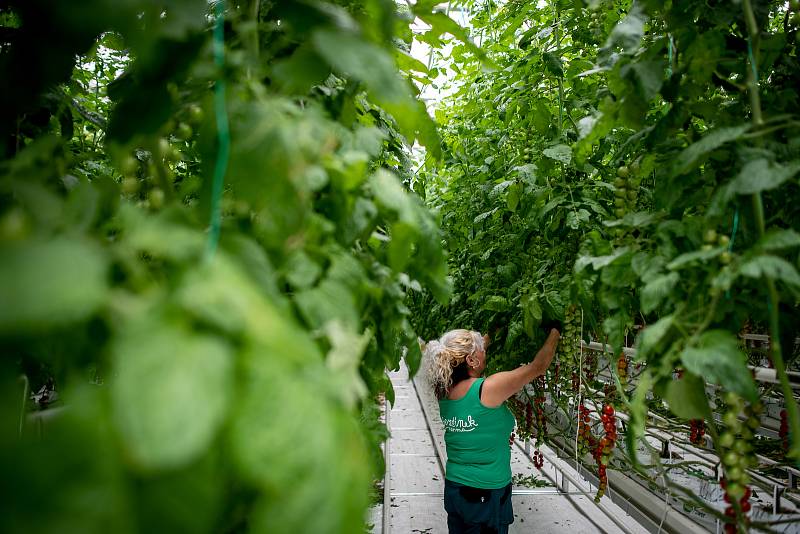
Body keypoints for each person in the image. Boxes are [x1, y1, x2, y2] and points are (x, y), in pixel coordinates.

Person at [422, 327, 560, 534]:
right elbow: (538, 366)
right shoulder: (487, 389)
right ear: (470, 359)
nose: (484, 352)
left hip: (455, 489)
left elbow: (471, 350)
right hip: (485, 492)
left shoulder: (444, 389)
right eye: (481, 351)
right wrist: (556, 330)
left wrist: (493, 331)